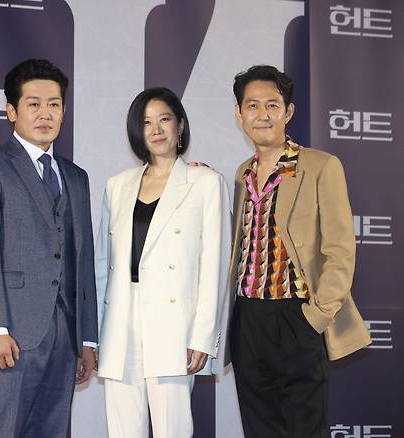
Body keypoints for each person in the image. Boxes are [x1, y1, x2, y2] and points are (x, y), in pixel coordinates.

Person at [226, 65, 371, 438]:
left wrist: (317, 317)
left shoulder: (320, 166)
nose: (262, 115)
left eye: (272, 105)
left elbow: (340, 249)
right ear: (238, 114)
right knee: (259, 428)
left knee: (305, 430)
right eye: (253, 106)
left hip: (297, 318)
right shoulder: (242, 172)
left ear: (288, 112)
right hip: (248, 321)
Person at [0, 58, 98, 438]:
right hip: (11, 334)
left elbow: (83, 259)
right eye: (34, 104)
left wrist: (86, 338)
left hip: (64, 336)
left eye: (55, 104)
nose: (46, 113)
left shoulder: (76, 177)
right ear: (11, 110)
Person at [95, 87, 231, 438]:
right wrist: (93, 336)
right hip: (121, 321)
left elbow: (214, 266)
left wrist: (204, 336)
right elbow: (102, 264)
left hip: (174, 324)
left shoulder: (206, 183)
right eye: (146, 122)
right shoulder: (117, 185)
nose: (156, 129)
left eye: (164, 119)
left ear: (180, 126)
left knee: (174, 430)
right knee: (123, 430)